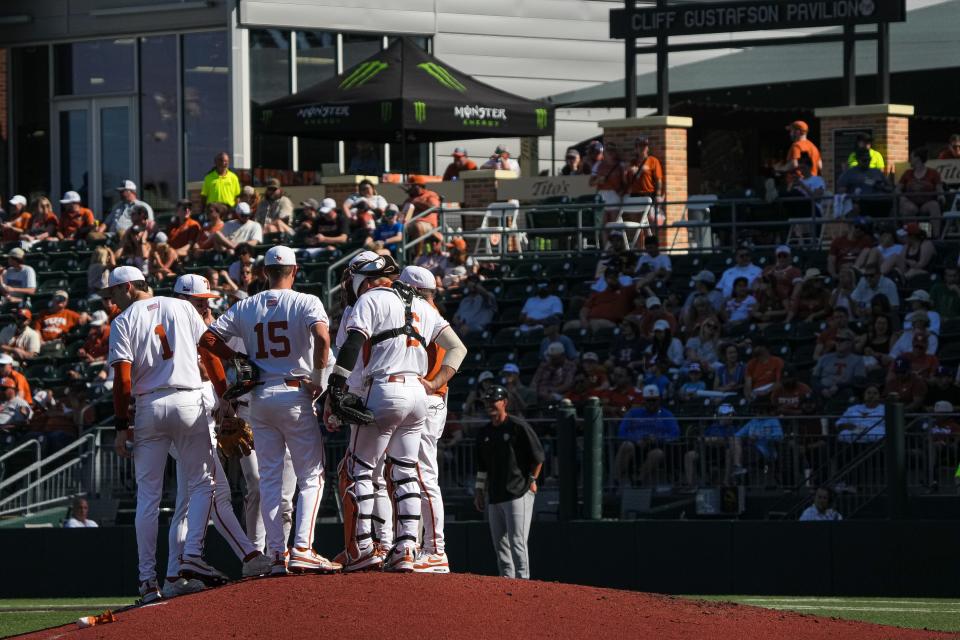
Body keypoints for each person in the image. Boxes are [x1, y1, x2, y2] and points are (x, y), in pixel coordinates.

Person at [321, 252, 467, 572]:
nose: (350, 285)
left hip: (383, 387)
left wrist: (335, 386)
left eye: (353, 278)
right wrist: (438, 381)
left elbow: (352, 344)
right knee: (404, 471)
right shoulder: (421, 303)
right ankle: (405, 548)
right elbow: (458, 348)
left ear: (367, 278)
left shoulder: (371, 299)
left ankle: (362, 548)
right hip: (418, 393)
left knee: (359, 469)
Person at [199, 246, 340, 576]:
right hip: (295, 393)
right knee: (311, 477)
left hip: (260, 398)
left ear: (264, 272)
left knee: (271, 482)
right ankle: (302, 547)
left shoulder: (246, 305)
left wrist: (238, 360)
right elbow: (322, 337)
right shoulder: (306, 301)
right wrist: (319, 380)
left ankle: (277, 554)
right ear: (296, 269)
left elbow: (207, 339)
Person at [104, 266, 225, 603]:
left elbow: (123, 382)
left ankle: (147, 582)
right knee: (203, 484)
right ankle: (191, 557)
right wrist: (226, 392)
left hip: (149, 407)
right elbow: (212, 350)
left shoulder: (123, 321)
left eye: (113, 293)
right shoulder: (182, 306)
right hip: (188, 399)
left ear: (127, 287)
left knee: (149, 499)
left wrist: (120, 426)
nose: (111, 300)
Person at [163, 274, 273, 596]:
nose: (205, 307)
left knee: (187, 501)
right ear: (183, 299)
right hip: (189, 418)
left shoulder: (173, 324)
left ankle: (173, 576)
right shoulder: (185, 329)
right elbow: (206, 363)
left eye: (208, 301)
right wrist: (226, 396)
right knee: (216, 493)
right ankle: (248, 556)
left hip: (182, 417)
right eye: (200, 301)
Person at [397, 266, 461, 573]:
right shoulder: (426, 311)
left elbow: (459, 349)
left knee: (423, 476)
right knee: (412, 475)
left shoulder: (425, 312)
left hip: (430, 400)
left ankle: (436, 549)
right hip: (426, 400)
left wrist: (435, 383)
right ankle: (418, 546)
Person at [474, 384, 543, 579]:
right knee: (500, 544)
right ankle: (507, 584)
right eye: (486, 401)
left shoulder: (517, 426)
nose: (489, 405)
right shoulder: (484, 433)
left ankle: (523, 582)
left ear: (504, 402)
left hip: (517, 491)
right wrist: (479, 492)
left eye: (493, 401)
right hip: (495, 495)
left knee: (517, 541)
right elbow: (482, 467)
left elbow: (538, 456)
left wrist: (532, 480)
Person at [614, 385, 679, 487]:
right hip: (636, 445)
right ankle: (617, 480)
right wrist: (637, 439)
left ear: (659, 400)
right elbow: (621, 431)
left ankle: (639, 480)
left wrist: (657, 439)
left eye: (654, 400)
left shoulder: (666, 414)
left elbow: (675, 434)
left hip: (657, 445)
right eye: (649, 400)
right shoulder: (633, 413)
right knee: (626, 445)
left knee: (657, 454)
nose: (651, 403)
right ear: (644, 401)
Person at [565, 269, 635, 332]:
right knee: (569, 325)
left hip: (610, 322)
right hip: (589, 321)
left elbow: (638, 285)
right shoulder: (598, 294)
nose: (613, 279)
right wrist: (583, 320)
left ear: (618, 278)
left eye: (615, 277)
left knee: (595, 323)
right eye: (610, 277)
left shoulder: (624, 292)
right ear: (605, 279)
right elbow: (584, 309)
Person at [897, 149, 944, 236]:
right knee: (909, 208)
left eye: (911, 158)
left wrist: (941, 196)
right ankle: (910, 236)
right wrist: (902, 197)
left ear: (917, 159)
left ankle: (935, 237)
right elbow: (898, 189)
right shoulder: (907, 173)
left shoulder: (933, 173)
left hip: (926, 203)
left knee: (934, 206)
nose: (909, 160)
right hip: (910, 202)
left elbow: (939, 189)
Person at [838, 149, 893, 217]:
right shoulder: (849, 173)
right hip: (862, 202)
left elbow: (890, 188)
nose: (867, 162)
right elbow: (841, 192)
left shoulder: (876, 172)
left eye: (869, 159)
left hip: (880, 200)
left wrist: (881, 186)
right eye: (864, 160)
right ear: (858, 160)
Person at [812, 329, 865, 399]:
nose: (838, 342)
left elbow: (858, 380)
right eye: (837, 340)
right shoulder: (825, 358)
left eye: (842, 340)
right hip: (823, 390)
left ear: (850, 343)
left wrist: (839, 386)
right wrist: (822, 389)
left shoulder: (858, 360)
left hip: (843, 391)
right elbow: (814, 378)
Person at [400, 176, 442, 249]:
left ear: (418, 187)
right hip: (409, 224)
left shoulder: (431, 195)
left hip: (428, 225)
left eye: (411, 186)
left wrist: (417, 202)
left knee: (418, 226)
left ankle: (418, 256)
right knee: (397, 227)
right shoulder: (409, 199)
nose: (408, 188)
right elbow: (403, 213)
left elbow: (435, 208)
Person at [623, 136, 664, 202]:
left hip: (648, 194)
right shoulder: (632, 162)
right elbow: (626, 182)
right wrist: (626, 172)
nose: (643, 148)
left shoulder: (653, 161)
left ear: (647, 148)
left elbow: (658, 179)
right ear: (636, 148)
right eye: (640, 146)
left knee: (650, 212)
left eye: (644, 146)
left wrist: (658, 195)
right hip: (635, 194)